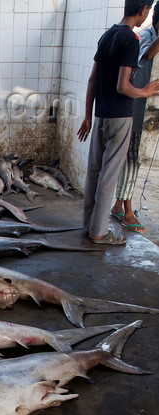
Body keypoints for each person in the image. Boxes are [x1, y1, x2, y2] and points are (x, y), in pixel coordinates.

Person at [77, 0, 159, 245]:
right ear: (144, 9)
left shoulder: (107, 35)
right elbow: (123, 86)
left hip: (100, 115)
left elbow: (92, 80)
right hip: (120, 117)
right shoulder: (131, 40)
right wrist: (145, 91)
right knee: (109, 177)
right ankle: (99, 231)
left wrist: (87, 117)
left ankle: (88, 224)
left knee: (94, 173)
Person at [111, 1, 159, 232]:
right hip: (134, 108)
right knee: (132, 160)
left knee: (134, 160)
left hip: (148, 109)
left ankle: (119, 204)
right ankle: (127, 212)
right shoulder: (142, 36)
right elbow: (145, 57)